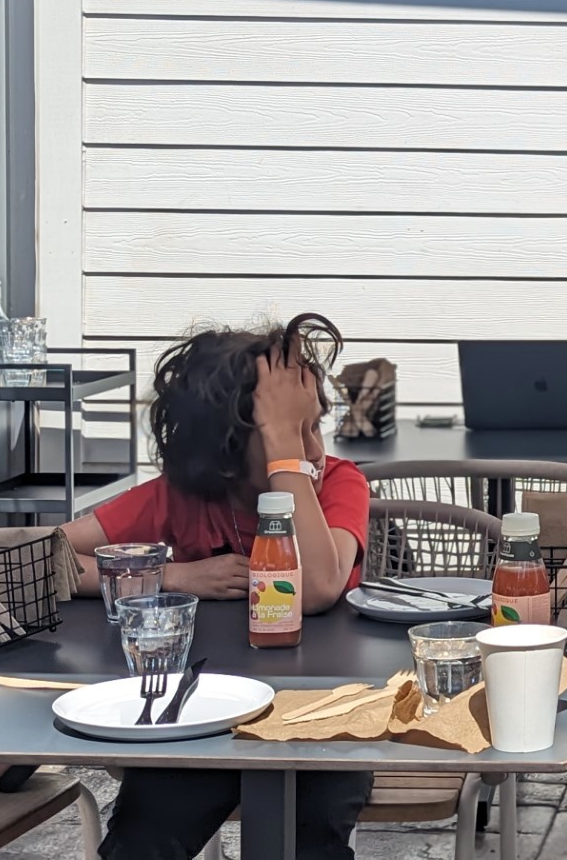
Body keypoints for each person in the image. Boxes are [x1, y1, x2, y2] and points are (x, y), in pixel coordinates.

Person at [59, 313, 374, 860]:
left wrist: (282, 446)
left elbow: (319, 585)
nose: (316, 451)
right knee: (142, 840)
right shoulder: (183, 498)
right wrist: (172, 576)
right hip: (200, 717)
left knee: (308, 845)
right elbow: (47, 561)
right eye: (295, 430)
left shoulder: (337, 485)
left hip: (324, 719)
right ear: (226, 450)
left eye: (314, 425)